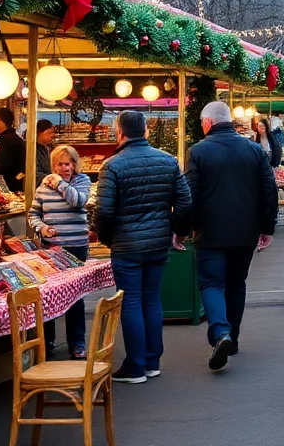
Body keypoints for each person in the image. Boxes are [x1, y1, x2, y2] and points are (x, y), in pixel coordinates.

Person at [95, 110, 193, 384]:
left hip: (126, 245)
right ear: (146, 131)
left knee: (131, 301)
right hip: (157, 242)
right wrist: (175, 230)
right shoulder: (168, 161)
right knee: (151, 298)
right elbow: (185, 203)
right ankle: (152, 361)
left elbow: (103, 211)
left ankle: (135, 365)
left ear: (119, 132)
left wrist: (107, 238)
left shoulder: (112, 165)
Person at [185, 102, 278, 371]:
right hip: (245, 231)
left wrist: (182, 228)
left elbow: (189, 194)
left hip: (210, 232)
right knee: (237, 284)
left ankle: (220, 332)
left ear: (207, 123)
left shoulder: (198, 151)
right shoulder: (254, 150)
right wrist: (267, 227)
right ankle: (232, 339)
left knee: (211, 284)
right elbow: (268, 190)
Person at [28, 145, 92, 359]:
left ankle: (77, 342)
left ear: (74, 165)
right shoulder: (43, 188)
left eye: (67, 164)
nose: (64, 168)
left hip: (77, 247)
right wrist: (42, 227)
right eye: (59, 164)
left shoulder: (82, 182)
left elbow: (78, 200)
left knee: (75, 295)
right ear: (53, 166)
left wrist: (60, 183)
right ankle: (48, 341)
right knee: (50, 295)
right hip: (52, 249)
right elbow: (33, 214)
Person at [0, 107, 26, 194]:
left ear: (1, 122)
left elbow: (3, 166)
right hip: (13, 187)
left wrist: (1, 190)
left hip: (8, 189)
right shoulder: (13, 138)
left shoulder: (6, 140)